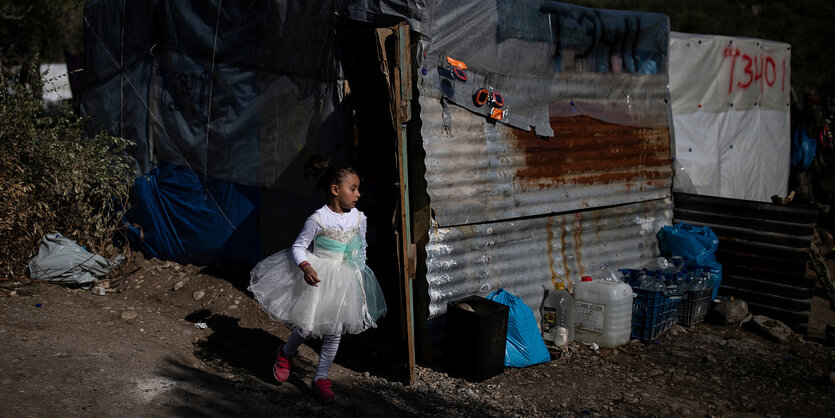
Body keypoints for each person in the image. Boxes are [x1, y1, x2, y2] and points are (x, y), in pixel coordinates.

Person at [249, 155, 386, 404]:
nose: (358, 194)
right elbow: (298, 247)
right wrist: (305, 266)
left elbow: (361, 248)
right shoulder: (318, 219)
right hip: (319, 276)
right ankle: (285, 352)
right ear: (335, 190)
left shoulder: (359, 218)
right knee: (307, 326)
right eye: (353, 189)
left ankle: (321, 377)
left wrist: (358, 274)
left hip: (345, 279)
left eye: (358, 189)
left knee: (334, 331)